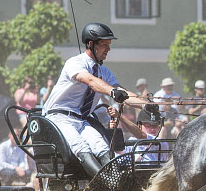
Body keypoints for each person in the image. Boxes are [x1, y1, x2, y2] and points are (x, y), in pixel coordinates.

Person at [43, 22, 144, 178]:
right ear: (91, 44)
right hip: (59, 117)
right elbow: (91, 81)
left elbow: (123, 93)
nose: (108, 49)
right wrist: (112, 91)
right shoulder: (75, 63)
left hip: (82, 120)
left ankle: (118, 182)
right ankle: (106, 183)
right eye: (104, 45)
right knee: (82, 148)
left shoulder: (104, 71)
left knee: (103, 148)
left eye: (109, 45)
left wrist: (148, 105)